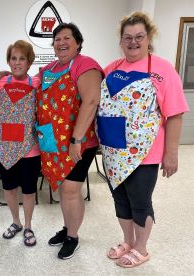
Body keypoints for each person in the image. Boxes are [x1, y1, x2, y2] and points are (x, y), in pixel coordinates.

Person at [97, 12, 189, 268]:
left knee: (140, 202)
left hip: (144, 152)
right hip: (113, 150)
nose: (133, 42)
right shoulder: (111, 68)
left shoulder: (162, 70)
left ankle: (141, 248)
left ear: (149, 38)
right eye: (128, 38)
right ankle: (127, 241)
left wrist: (172, 154)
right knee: (120, 200)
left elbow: (175, 114)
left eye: (139, 37)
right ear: (121, 40)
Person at [35, 23, 103, 259]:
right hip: (52, 140)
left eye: (67, 38)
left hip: (78, 142)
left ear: (78, 43)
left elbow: (91, 101)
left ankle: (73, 236)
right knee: (63, 188)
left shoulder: (87, 65)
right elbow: (29, 87)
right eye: (57, 39)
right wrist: (3, 77)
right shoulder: (49, 68)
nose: (61, 43)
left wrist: (76, 139)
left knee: (72, 189)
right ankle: (67, 228)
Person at [0, 40, 41, 246]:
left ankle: (28, 225)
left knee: (29, 190)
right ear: (8, 61)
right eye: (13, 58)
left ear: (29, 62)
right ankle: (16, 222)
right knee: (9, 188)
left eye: (22, 58)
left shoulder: (37, 84)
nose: (17, 62)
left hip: (30, 147)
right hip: (5, 146)